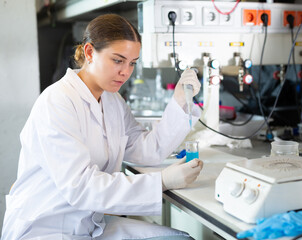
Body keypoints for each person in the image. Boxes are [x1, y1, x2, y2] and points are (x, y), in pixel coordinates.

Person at [2, 14, 203, 240]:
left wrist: (180, 101)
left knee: (181, 238)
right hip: (47, 227)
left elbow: (147, 149)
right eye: (118, 60)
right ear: (89, 53)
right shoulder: (57, 102)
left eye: (132, 63)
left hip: (88, 223)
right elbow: (82, 187)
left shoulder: (112, 101)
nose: (126, 72)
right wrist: (162, 182)